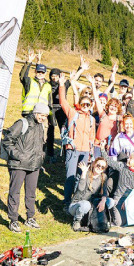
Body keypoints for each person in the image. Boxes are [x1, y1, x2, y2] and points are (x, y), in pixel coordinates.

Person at [2, 103, 48, 233]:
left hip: (34, 165)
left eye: (45, 116)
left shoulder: (40, 126)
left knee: (31, 193)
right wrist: (19, 156)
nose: (43, 118)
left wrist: (41, 157)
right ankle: (13, 220)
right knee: (14, 192)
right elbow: (7, 141)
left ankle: (30, 217)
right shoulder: (22, 123)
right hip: (19, 164)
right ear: (35, 113)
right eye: (41, 115)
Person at [58, 73, 97, 209]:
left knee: (81, 176)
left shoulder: (92, 119)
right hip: (73, 149)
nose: (85, 106)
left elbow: (92, 136)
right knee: (70, 175)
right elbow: (63, 101)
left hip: (86, 151)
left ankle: (76, 200)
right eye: (83, 104)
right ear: (79, 104)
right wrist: (62, 85)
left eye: (88, 104)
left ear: (91, 105)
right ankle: (67, 202)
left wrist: (91, 152)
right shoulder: (73, 114)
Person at [102, 151, 134, 226]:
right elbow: (110, 161)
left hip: (131, 199)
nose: (128, 159)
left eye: (130, 159)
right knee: (119, 223)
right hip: (119, 198)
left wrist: (128, 201)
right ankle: (110, 210)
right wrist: (103, 150)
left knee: (129, 222)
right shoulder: (122, 166)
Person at [68, 157, 108, 232]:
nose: (99, 168)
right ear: (94, 164)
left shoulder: (103, 177)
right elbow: (80, 189)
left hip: (91, 205)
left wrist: (103, 201)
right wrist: (83, 173)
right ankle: (77, 221)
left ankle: (102, 221)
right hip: (77, 204)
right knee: (86, 204)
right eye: (98, 165)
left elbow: (105, 192)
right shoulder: (86, 173)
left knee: (110, 202)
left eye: (102, 167)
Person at [20, 50, 52, 117]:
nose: (40, 73)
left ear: (45, 73)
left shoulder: (48, 86)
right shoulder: (30, 81)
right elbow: (23, 76)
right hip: (29, 113)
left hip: (42, 114)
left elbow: (49, 103)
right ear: (35, 72)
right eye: (38, 72)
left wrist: (49, 116)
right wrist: (28, 62)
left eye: (42, 72)